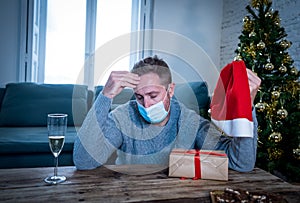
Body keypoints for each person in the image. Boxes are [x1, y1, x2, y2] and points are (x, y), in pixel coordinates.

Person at [73, 55, 261, 172]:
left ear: (170, 90)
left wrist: (246, 108)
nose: (146, 105)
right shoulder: (123, 117)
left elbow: (240, 163)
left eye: (153, 95)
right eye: (139, 97)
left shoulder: (189, 121)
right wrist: (105, 96)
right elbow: (84, 161)